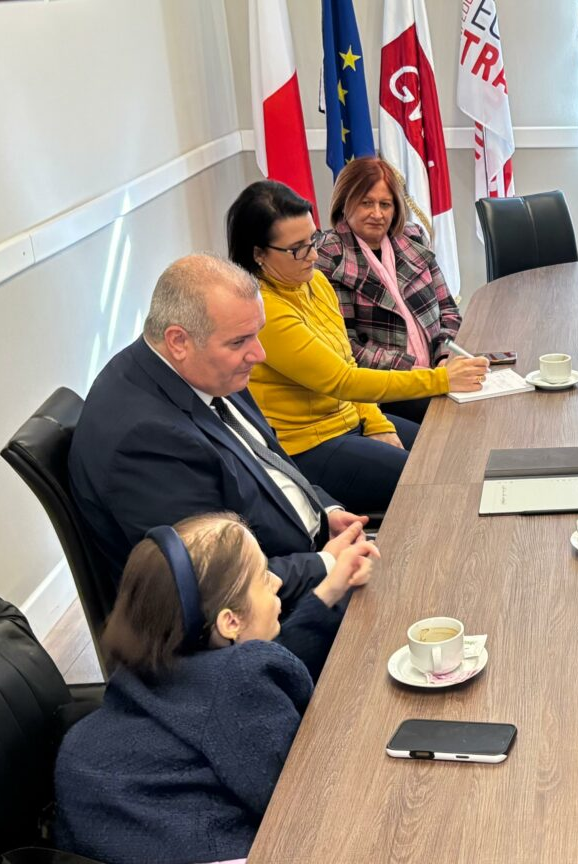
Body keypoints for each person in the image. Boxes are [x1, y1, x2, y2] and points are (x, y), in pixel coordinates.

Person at [69, 254, 378, 634]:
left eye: (257, 333)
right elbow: (211, 584)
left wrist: (322, 512)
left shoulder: (203, 368)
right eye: (240, 341)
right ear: (178, 341)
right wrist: (326, 565)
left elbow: (269, 464)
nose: (259, 354)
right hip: (256, 624)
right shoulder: (145, 440)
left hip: (298, 555)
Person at [54, 513, 373, 864]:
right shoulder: (239, 681)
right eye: (262, 576)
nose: (277, 582)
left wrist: (328, 593)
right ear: (230, 621)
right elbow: (307, 800)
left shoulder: (151, 673)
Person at [226, 180, 488, 514]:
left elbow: (348, 363)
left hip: (351, 420)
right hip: (310, 446)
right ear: (258, 254)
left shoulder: (315, 282)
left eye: (312, 240)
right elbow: (343, 380)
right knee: (434, 481)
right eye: (298, 249)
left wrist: (377, 422)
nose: (314, 255)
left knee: (454, 451)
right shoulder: (264, 311)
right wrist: (442, 380)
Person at [317, 157, 463, 423]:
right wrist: (413, 372)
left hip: (438, 372)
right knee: (457, 420)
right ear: (345, 202)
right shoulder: (331, 254)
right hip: (384, 389)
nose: (377, 214)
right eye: (366, 203)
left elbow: (448, 311)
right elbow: (345, 347)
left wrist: (444, 356)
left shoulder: (412, 237)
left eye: (385, 204)